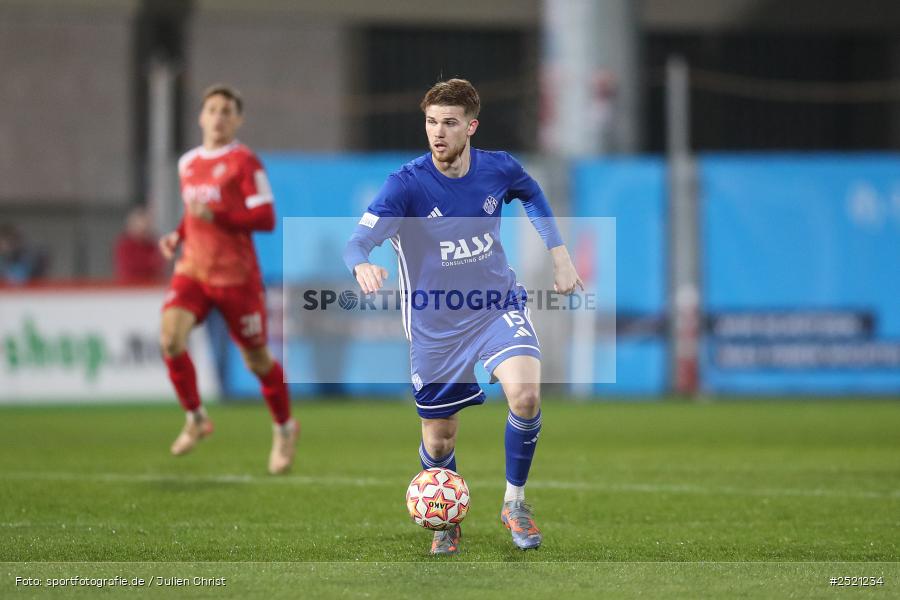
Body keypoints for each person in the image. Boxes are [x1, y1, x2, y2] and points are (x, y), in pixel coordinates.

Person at [344, 79, 583, 554]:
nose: (438, 132)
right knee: (439, 439)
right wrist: (362, 263)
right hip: (436, 326)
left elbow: (532, 195)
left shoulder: (498, 169)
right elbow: (358, 241)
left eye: (449, 123)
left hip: (496, 307)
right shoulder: (405, 185)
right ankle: (446, 516)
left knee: (527, 394)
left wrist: (560, 255)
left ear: (471, 126)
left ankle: (514, 502)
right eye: (431, 122)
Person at [158, 84, 297, 474]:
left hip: (237, 278)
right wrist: (178, 234)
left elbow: (265, 218)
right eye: (212, 109)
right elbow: (193, 213)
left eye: (226, 111)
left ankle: (285, 428)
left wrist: (215, 216)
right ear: (201, 117)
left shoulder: (245, 162)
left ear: (238, 120)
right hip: (193, 272)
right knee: (170, 338)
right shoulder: (188, 164)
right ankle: (197, 418)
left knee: (257, 360)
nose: (218, 117)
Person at [114, 205, 165, 283]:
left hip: (150, 286)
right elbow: (130, 266)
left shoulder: (151, 244)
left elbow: (159, 264)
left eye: (146, 228)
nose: (144, 232)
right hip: (130, 287)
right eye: (141, 229)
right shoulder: (125, 246)